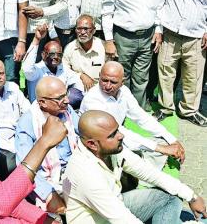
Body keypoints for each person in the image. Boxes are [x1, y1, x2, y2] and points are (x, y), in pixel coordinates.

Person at [63, 110, 207, 224]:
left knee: (171, 196)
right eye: (113, 135)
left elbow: (149, 173)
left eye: (118, 130)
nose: (121, 136)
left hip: (115, 208)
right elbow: (122, 219)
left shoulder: (112, 149)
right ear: (92, 144)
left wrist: (192, 196)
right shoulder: (86, 174)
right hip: (107, 218)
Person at [80, 61, 186, 170]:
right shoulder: (92, 100)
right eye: (104, 80)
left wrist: (172, 139)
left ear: (122, 82)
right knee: (157, 148)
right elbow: (119, 132)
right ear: (99, 76)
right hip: (102, 146)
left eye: (113, 82)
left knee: (163, 140)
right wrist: (160, 149)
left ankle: (140, 165)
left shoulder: (124, 91)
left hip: (117, 137)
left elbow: (141, 117)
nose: (107, 86)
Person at [101, 0, 164, 110]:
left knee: (142, 76)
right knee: (123, 75)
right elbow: (106, 11)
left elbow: (160, 5)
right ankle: (121, 109)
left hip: (147, 36)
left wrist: (158, 29)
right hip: (123, 37)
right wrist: (109, 41)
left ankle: (139, 109)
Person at [15, 77, 79, 214]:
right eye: (60, 98)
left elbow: (85, 131)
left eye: (66, 94)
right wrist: (48, 194)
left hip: (74, 171)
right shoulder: (27, 122)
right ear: (42, 102)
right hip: (45, 180)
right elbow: (25, 167)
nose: (67, 100)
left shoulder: (67, 111)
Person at [22, 24, 83, 105]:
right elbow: (27, 69)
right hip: (41, 111)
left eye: (59, 54)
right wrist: (36, 40)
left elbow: (77, 80)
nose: (56, 57)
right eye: (52, 54)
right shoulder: (37, 70)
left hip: (60, 110)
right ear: (43, 55)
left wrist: (82, 76)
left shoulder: (62, 68)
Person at [63, 14, 105, 91]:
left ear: (94, 30)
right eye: (79, 29)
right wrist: (81, 75)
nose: (82, 32)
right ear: (75, 30)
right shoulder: (70, 48)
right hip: (79, 89)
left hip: (101, 89)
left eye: (86, 29)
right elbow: (64, 69)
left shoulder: (103, 47)